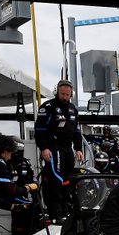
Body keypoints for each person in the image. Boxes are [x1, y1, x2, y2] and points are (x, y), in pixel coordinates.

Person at [34, 80, 83, 223]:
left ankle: (67, 209)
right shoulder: (48, 107)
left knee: (69, 178)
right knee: (57, 179)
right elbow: (39, 130)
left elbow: (76, 130)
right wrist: (44, 148)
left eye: (68, 95)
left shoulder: (73, 109)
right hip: (53, 148)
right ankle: (56, 213)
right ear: (57, 92)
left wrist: (79, 148)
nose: (65, 97)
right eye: (62, 94)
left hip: (68, 149)